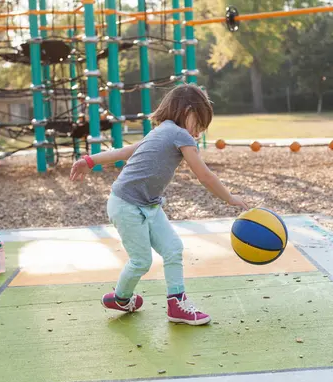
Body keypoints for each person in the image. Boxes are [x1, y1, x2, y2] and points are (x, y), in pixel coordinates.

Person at [70, 84, 248, 326]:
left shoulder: (162, 130)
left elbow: (127, 151)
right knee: (141, 261)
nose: (198, 133)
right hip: (126, 204)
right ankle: (121, 298)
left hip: (149, 205)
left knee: (173, 248)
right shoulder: (178, 134)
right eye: (199, 123)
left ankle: (176, 304)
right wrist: (229, 197)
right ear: (187, 111)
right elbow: (204, 175)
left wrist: (90, 160)